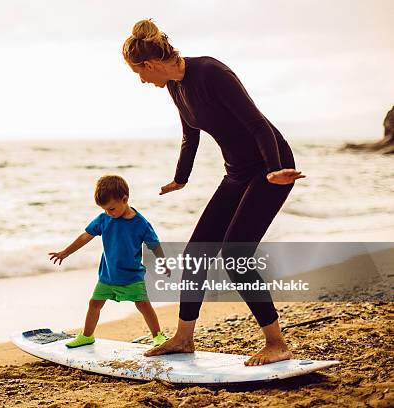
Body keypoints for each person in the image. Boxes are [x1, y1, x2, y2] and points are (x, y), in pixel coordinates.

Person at [122, 19, 306, 366]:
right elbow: (190, 135)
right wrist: (181, 178)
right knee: (196, 254)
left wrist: (273, 170)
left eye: (139, 74)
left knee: (235, 253)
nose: (142, 81)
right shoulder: (176, 87)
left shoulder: (211, 72)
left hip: (271, 168)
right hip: (237, 173)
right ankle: (183, 338)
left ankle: (276, 342)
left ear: (148, 64)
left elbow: (258, 124)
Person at [49, 175, 170, 348]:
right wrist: (66, 252)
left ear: (125, 199)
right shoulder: (104, 219)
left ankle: (158, 336)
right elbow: (85, 237)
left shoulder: (141, 224)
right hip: (107, 276)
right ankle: (87, 336)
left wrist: (163, 262)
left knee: (143, 304)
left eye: (111, 208)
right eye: (105, 209)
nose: (108, 213)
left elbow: (154, 245)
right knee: (94, 304)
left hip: (132, 276)